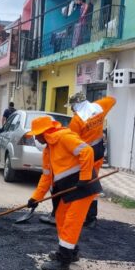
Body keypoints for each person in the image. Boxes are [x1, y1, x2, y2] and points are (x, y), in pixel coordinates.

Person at [25, 116, 100, 270]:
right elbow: (46, 176)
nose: (35, 138)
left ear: (44, 132)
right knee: (61, 217)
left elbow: (87, 151)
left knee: (71, 222)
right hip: (69, 188)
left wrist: (85, 177)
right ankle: (71, 252)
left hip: (83, 187)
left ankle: (63, 261)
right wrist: (36, 198)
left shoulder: (65, 137)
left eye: (36, 134)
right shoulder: (48, 150)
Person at [39, 92, 115, 228]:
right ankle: (91, 218)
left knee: (66, 183)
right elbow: (112, 100)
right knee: (92, 182)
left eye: (73, 106)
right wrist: (96, 105)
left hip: (85, 155)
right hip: (98, 151)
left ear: (77, 105)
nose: (72, 109)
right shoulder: (100, 107)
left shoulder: (77, 121)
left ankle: (59, 215)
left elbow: (73, 142)